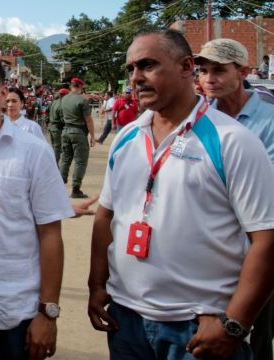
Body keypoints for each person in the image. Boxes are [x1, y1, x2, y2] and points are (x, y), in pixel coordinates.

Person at [88, 30, 274, 360]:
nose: (136, 77)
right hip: (126, 321)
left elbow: (266, 238)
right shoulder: (127, 137)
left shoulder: (232, 140)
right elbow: (106, 215)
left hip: (199, 327)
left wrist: (235, 324)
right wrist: (97, 284)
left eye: (147, 65)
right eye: (131, 68)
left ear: (186, 67)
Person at [0, 59, 73, 360]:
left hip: (11, 313)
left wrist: (47, 312)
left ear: (2, 92)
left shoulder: (32, 151)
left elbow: (50, 234)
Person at [195, 38, 274, 360]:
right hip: (209, 249)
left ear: (242, 71)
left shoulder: (269, 120)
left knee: (254, 332)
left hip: (256, 247)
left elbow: (261, 188)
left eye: (219, 70)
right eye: (203, 71)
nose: (209, 79)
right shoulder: (198, 119)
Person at [58, 78, 95, 198]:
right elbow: (88, 120)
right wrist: (93, 136)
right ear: (81, 86)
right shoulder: (82, 100)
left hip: (65, 131)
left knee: (65, 159)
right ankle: (76, 188)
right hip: (78, 132)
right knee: (80, 161)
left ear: (71, 86)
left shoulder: (63, 99)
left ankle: (59, 185)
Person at [48, 89, 68, 166]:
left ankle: (53, 163)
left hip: (52, 127)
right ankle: (54, 165)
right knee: (58, 148)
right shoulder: (62, 104)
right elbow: (63, 119)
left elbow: (47, 112)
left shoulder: (54, 102)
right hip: (58, 128)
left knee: (54, 147)